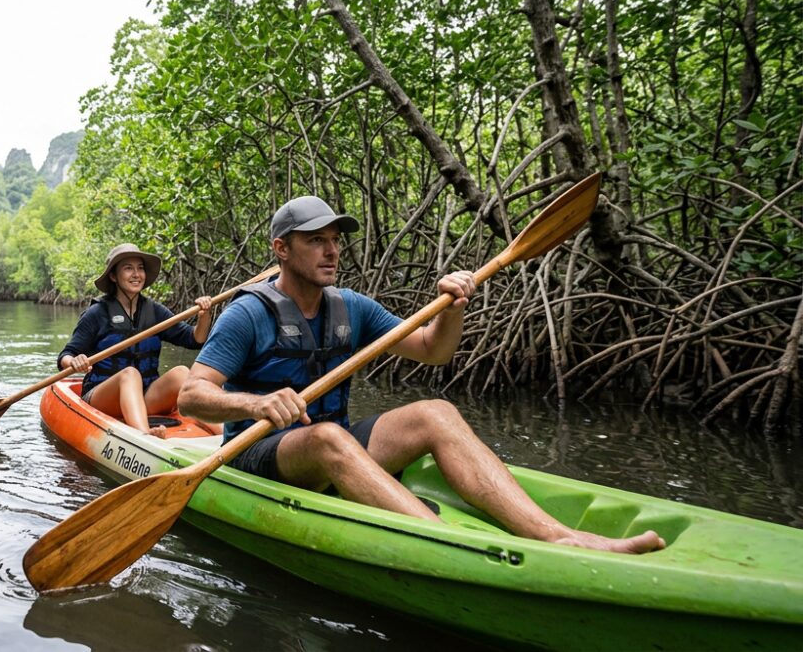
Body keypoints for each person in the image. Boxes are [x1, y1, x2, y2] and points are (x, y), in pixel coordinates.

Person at [177, 196, 665, 554]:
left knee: (436, 412)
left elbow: (434, 351)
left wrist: (453, 306)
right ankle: (446, 545)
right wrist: (254, 403)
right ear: (281, 249)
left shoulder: (352, 308)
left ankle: (558, 535)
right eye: (316, 241)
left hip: (335, 440)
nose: (331, 251)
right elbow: (192, 397)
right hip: (259, 454)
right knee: (327, 437)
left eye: (335, 241)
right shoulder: (247, 314)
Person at [59, 244, 222, 438]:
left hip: (144, 398)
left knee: (182, 373)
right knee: (130, 374)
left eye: (140, 268)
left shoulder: (154, 311)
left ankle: (227, 433)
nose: (136, 274)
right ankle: (145, 436)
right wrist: (74, 362)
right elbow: (65, 356)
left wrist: (204, 315)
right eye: (128, 268)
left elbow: (195, 339)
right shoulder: (97, 313)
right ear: (113, 276)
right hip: (102, 398)